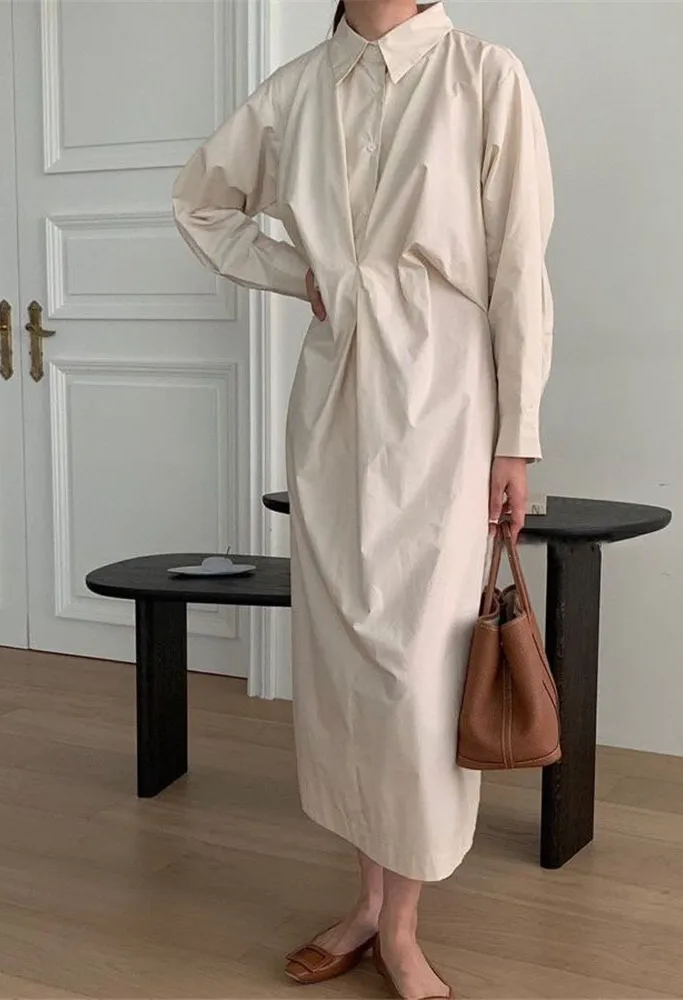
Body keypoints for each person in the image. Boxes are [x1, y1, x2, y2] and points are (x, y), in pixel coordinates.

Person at [172, 1, 554, 997]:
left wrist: (516, 437)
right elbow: (200, 204)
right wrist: (300, 272)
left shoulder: (484, 76)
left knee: (419, 668)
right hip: (336, 394)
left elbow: (519, 263)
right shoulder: (295, 91)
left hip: (449, 399)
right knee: (345, 659)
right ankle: (367, 902)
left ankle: (404, 925)